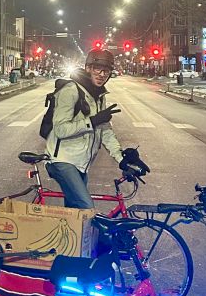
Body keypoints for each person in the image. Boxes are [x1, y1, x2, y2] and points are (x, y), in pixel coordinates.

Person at [44, 47, 150, 208]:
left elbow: (105, 131)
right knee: (85, 207)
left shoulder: (98, 96)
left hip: (81, 164)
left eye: (106, 71)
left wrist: (122, 159)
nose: (102, 74)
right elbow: (60, 130)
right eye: (98, 69)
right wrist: (92, 121)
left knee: (75, 214)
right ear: (88, 68)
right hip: (61, 161)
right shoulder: (70, 91)